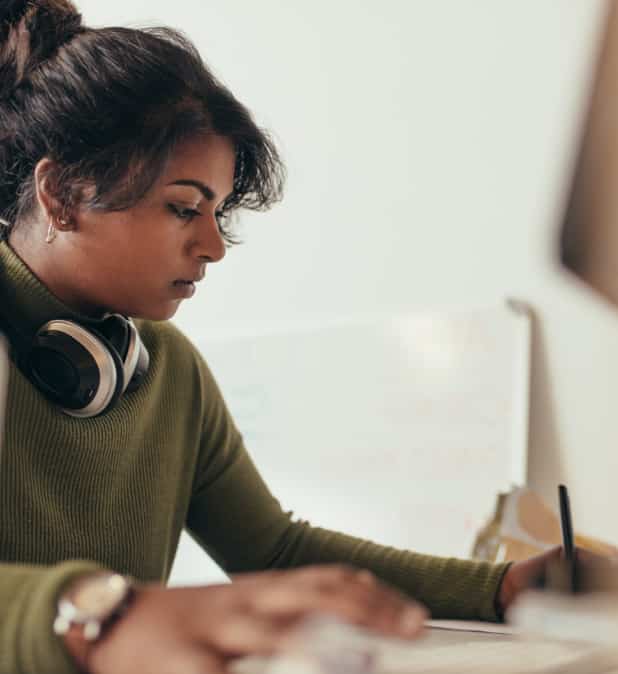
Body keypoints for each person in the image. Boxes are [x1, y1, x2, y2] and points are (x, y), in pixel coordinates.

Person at [0, 2, 577, 673]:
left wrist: (502, 588)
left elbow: (270, 550)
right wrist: (104, 615)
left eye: (217, 212)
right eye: (184, 207)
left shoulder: (166, 368)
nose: (214, 245)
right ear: (62, 193)